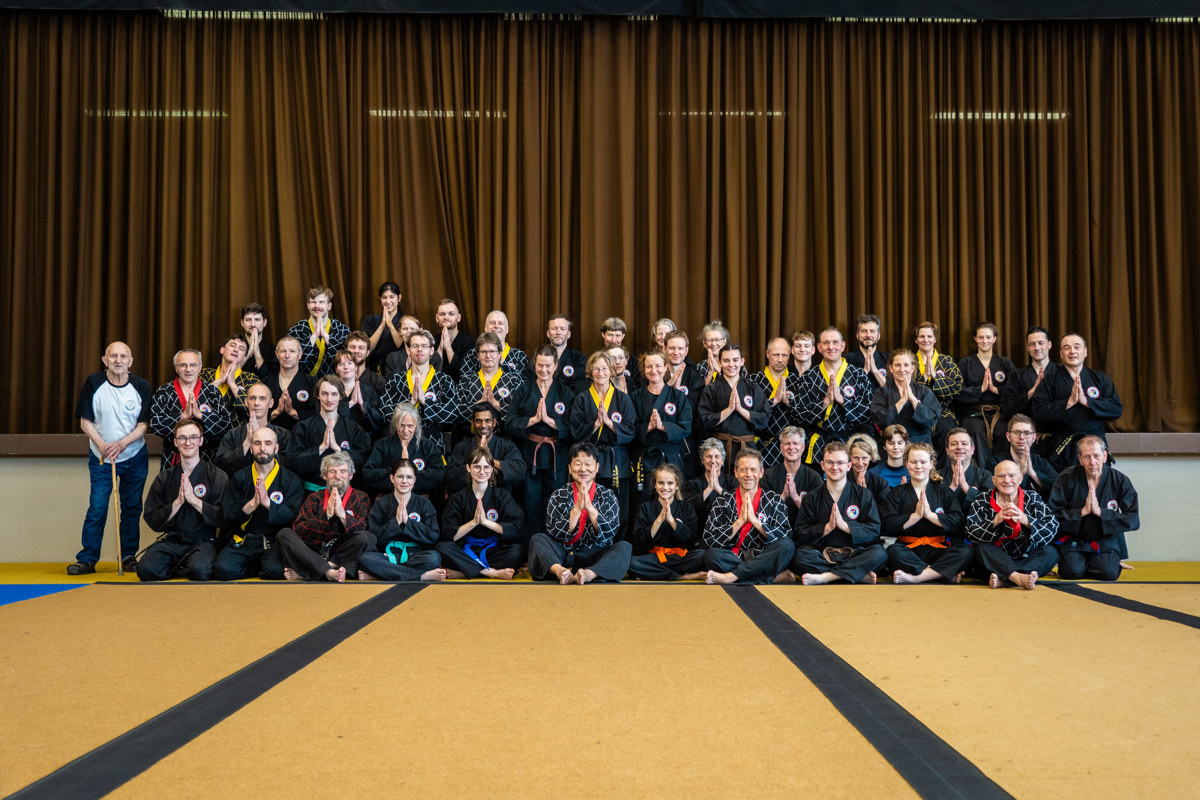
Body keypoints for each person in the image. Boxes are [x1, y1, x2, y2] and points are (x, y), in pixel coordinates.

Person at [70, 341, 153, 575]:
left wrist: (121, 444)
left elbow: (143, 425)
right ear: (104, 360)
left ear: (130, 361)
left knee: (132, 507)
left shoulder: (141, 385)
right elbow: (85, 421)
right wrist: (103, 445)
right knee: (97, 507)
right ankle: (87, 559)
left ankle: (127, 556)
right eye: (113, 356)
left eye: (123, 356)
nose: (118, 360)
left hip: (134, 456)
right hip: (102, 458)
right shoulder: (94, 383)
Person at [529, 443, 633, 584]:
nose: (583, 469)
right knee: (538, 539)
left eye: (588, 464)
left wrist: (590, 508)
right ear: (570, 468)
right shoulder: (558, 495)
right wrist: (577, 510)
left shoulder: (607, 495)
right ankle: (561, 571)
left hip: (595, 555)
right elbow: (554, 531)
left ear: (597, 468)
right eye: (578, 464)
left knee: (624, 547)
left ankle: (589, 574)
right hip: (564, 553)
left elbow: (610, 531)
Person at [138, 419, 228, 582]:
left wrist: (194, 500)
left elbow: (224, 517)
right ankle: (181, 567)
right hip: (173, 540)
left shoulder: (217, 476)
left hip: (203, 542)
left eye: (193, 437)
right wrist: (178, 502)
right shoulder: (165, 478)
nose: (188, 442)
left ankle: (183, 567)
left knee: (200, 571)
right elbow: (152, 518)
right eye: (182, 438)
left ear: (201, 440)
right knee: (146, 569)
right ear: (175, 442)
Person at [785, 441, 886, 585]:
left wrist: (846, 526)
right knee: (799, 557)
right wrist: (826, 528)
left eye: (840, 463)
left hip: (854, 554)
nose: (835, 467)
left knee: (879, 553)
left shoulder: (863, 494)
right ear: (822, 465)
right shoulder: (811, 497)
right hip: (823, 554)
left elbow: (874, 530)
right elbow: (801, 532)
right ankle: (855, 574)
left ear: (848, 466)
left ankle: (827, 576)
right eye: (830, 462)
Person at [215, 426, 305, 581]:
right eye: (257, 443)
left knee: (276, 571)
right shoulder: (239, 477)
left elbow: (294, 516)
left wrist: (268, 504)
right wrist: (252, 504)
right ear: (251, 448)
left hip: (273, 541)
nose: (262, 448)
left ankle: (257, 567)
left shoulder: (290, 479)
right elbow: (227, 514)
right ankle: (256, 568)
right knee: (222, 570)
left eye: (268, 443)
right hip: (244, 539)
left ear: (276, 448)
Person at [1048, 436, 1139, 581]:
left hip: (1105, 540)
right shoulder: (1066, 477)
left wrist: (1101, 513)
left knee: (1108, 573)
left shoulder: (1119, 480)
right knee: (1071, 572)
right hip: (1074, 540)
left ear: (1104, 456)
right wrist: (1081, 512)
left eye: (1096, 456)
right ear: (1080, 459)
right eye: (1086, 457)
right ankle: (1085, 562)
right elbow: (1051, 515)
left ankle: (1105, 561)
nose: (1092, 462)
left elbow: (1133, 519)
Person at [506, 345, 573, 540]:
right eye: (540, 365)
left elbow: (574, 427)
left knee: (555, 503)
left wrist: (550, 421)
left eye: (548, 365)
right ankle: (530, 547)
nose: (544, 370)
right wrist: (533, 420)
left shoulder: (565, 393)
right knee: (530, 503)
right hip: (529, 456)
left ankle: (554, 545)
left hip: (556, 457)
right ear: (534, 365)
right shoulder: (523, 390)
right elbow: (509, 422)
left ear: (556, 366)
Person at [701, 447, 794, 584]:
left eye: (753, 470)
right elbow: (710, 539)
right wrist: (739, 522)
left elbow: (785, 534)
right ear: (736, 472)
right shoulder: (723, 501)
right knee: (711, 555)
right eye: (743, 470)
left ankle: (732, 577)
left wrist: (756, 522)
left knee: (787, 545)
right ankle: (771, 578)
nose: (748, 474)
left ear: (761, 472)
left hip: (763, 555)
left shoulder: (774, 499)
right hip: (733, 556)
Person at [883, 442, 970, 584]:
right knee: (892, 552)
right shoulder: (897, 493)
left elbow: (958, 523)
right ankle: (941, 573)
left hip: (938, 549)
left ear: (931, 464)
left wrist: (930, 515)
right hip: (909, 550)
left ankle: (918, 577)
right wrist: (915, 516)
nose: (918, 466)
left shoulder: (943, 491)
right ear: (907, 464)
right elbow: (888, 524)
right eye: (913, 462)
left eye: (923, 462)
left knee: (965, 551)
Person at [1032, 333, 1124, 469]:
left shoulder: (1099, 378)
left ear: (1085, 352)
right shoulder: (1050, 380)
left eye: (1077, 347)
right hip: (1063, 448)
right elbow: (1038, 411)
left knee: (1097, 481)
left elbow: (1116, 409)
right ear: (1061, 353)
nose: (1072, 351)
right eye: (1067, 348)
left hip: (1094, 446)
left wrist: (1087, 402)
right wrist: (1068, 403)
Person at [277, 452, 372, 582]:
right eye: (332, 471)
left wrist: (343, 516)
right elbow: (299, 529)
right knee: (284, 534)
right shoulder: (315, 497)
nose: (337, 476)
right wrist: (326, 515)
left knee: (367, 537)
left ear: (350, 475)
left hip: (341, 553)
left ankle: (315, 571)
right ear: (324, 475)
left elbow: (362, 529)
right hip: (314, 551)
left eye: (343, 471)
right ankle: (327, 571)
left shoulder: (360, 497)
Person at [568, 350, 637, 527]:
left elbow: (631, 430)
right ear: (590, 372)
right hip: (591, 459)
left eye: (605, 368)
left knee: (619, 507)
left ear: (611, 370)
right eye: (596, 369)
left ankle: (619, 540)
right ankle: (591, 538)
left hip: (617, 459)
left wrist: (610, 423)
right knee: (591, 503)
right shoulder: (582, 399)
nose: (601, 373)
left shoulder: (622, 399)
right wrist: (596, 424)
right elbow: (574, 431)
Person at [965, 459, 1059, 589]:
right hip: (994, 559)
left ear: (1020, 479)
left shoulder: (1032, 497)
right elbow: (971, 532)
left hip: (1024, 558)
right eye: (1001, 476)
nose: (1007, 480)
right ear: (994, 480)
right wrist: (995, 521)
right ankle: (1018, 577)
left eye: (1011, 475)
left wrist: (1026, 520)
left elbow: (1052, 529)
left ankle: (1006, 579)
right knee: (981, 547)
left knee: (1051, 553)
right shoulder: (982, 500)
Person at [437, 448, 525, 580]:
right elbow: (449, 535)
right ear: (468, 468)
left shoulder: (502, 496)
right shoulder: (457, 498)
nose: (482, 471)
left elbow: (515, 530)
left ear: (492, 469)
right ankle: (489, 572)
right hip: (466, 551)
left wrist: (486, 522)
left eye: (486, 467)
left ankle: (465, 571)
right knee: (442, 548)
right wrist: (473, 523)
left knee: (517, 551)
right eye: (477, 467)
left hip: (493, 550)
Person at [794, 327, 873, 467]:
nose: (831, 347)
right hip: (819, 441)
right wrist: (825, 402)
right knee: (818, 480)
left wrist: (842, 401)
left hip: (851, 441)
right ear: (819, 347)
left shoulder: (858, 374)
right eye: (826, 343)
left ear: (842, 346)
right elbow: (800, 415)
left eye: (835, 342)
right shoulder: (808, 377)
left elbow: (868, 413)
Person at [358, 459, 447, 582]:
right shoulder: (381, 504)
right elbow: (374, 538)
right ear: (392, 478)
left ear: (415, 480)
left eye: (409, 477)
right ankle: (421, 576)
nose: (405, 481)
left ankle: (382, 574)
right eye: (400, 476)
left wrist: (408, 523)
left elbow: (433, 536)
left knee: (434, 558)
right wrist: (395, 523)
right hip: (388, 555)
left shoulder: (424, 503)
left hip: (415, 555)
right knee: (365, 558)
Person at [284, 376, 372, 491]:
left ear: (341, 396)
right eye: (324, 394)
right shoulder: (302, 427)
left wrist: (339, 450)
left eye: (334, 394)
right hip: (310, 492)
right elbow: (292, 462)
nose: (329, 399)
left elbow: (362, 462)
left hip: (344, 492)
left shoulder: (354, 428)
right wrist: (320, 448)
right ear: (317, 395)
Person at [149, 348, 233, 468]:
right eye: (183, 365)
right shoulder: (163, 392)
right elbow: (155, 424)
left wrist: (201, 416)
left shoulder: (211, 391)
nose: (188, 369)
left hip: (206, 456)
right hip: (173, 456)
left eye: (193, 365)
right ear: (176, 368)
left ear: (200, 367)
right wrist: (182, 416)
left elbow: (225, 423)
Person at [379, 328, 458, 453]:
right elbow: (385, 411)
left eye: (424, 346)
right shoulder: (396, 380)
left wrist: (425, 403)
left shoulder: (444, 380)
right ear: (408, 350)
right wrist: (410, 404)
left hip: (433, 442)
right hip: (400, 441)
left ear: (431, 350)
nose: (419, 349)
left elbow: (452, 412)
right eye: (415, 346)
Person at [626, 464, 707, 580]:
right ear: (655, 485)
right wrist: (659, 520)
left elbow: (691, 538)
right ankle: (681, 577)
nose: (665, 487)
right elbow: (639, 542)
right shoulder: (645, 507)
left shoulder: (686, 507)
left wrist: (671, 520)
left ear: (677, 485)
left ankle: (654, 574)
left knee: (702, 555)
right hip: (654, 558)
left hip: (680, 558)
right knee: (630, 562)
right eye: (661, 483)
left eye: (670, 483)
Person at [697, 344, 769, 471]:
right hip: (719, 449)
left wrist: (740, 409)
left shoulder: (752, 388)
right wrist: (729, 409)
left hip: (747, 447)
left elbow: (764, 419)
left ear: (742, 361)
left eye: (735, 360)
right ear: (719, 362)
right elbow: (704, 421)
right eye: (726, 360)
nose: (731, 365)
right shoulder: (711, 389)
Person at [631, 350, 693, 496]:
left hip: (671, 457)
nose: (654, 371)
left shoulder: (677, 396)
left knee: (673, 499)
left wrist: (662, 427)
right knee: (645, 500)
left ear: (665, 367)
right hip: (645, 457)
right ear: (644, 369)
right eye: (649, 367)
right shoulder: (636, 396)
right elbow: (629, 429)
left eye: (658, 366)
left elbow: (686, 426)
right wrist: (649, 427)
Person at [956, 322, 1017, 463]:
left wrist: (996, 390)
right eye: (981, 337)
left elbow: (1016, 390)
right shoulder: (965, 364)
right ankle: (984, 473)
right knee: (975, 430)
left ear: (994, 339)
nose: (985, 341)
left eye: (988, 337)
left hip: (1001, 412)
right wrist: (980, 390)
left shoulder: (1005, 363)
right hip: (974, 413)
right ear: (975, 339)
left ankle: (1004, 469)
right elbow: (957, 392)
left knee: (1006, 431)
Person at [362, 403, 447, 497]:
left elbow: (439, 474)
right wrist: (396, 472)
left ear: (416, 425)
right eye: (401, 425)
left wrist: (410, 475)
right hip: (389, 498)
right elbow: (368, 473)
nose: (405, 430)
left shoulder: (427, 446)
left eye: (410, 426)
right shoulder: (382, 445)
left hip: (419, 499)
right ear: (396, 424)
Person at [446, 403, 527, 494]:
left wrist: (490, 461)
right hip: (469, 498)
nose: (483, 425)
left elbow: (520, 471)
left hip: (499, 498)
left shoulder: (507, 446)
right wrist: (478, 462)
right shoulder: (462, 447)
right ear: (472, 423)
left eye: (487, 421)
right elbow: (451, 476)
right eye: (478, 421)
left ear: (494, 422)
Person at [214, 382, 292, 476]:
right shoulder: (233, 435)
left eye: (262, 398)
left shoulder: (283, 435)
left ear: (271, 403)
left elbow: (288, 466)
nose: (256, 403)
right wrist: (247, 443)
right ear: (246, 402)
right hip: (240, 484)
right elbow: (220, 465)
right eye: (252, 398)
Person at [750, 337, 803, 467]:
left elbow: (805, 416)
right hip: (761, 444)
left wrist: (789, 403)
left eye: (784, 355)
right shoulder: (753, 381)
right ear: (767, 354)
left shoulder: (798, 381)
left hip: (790, 447)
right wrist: (773, 401)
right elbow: (749, 414)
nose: (780, 360)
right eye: (776, 355)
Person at [456, 331, 525, 429]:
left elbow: (520, 415)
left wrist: (497, 405)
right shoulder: (466, 381)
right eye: (483, 352)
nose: (488, 356)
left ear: (499, 354)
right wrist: (478, 405)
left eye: (492, 351)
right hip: (472, 436)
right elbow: (456, 413)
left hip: (504, 436)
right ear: (478, 354)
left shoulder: (513, 381)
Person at [870, 348, 940, 444]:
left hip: (919, 443)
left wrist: (913, 400)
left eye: (906, 365)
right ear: (890, 368)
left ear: (912, 368)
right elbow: (880, 421)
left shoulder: (924, 391)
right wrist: (902, 401)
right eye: (897, 365)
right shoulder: (881, 392)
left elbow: (931, 421)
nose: (902, 369)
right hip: (892, 443)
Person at [761, 426, 824, 525]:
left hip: (805, 529)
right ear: (781, 448)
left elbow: (818, 514)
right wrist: (783, 496)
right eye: (787, 444)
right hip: (775, 529)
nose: (791, 447)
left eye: (795, 443)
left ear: (803, 447)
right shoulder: (768, 476)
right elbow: (763, 513)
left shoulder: (814, 477)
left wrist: (795, 496)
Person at [913, 321, 962, 443]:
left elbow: (957, 388)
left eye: (929, 336)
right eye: (922, 336)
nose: (926, 340)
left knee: (948, 432)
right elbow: (903, 388)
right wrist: (924, 378)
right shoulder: (909, 361)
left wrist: (936, 377)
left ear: (935, 339)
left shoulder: (946, 361)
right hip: (915, 410)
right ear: (916, 340)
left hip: (942, 411)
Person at [286, 284, 350, 377]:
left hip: (334, 382)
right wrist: (314, 336)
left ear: (329, 306)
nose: (317, 306)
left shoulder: (341, 329)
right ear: (308, 305)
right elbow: (291, 361)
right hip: (304, 381)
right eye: (313, 302)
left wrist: (326, 337)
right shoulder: (297, 329)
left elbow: (347, 361)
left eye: (321, 302)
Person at [1000, 326, 1058, 428]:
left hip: (1058, 430)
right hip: (1026, 431)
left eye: (1040, 343)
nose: (1037, 348)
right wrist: (1030, 393)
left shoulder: (1061, 372)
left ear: (1049, 344)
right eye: (1032, 344)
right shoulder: (1018, 375)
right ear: (1027, 347)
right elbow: (1006, 407)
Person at [200, 334, 261, 425]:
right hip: (204, 430)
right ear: (222, 350)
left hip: (237, 431)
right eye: (232, 345)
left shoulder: (251, 379)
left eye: (241, 349)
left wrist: (232, 384)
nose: (236, 350)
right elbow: (195, 401)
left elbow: (254, 412)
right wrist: (219, 381)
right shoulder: (205, 374)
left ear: (244, 358)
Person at [988, 414, 1057, 493]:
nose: (1021, 437)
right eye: (1016, 432)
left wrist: (1033, 474)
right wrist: (1021, 473)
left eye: (1027, 433)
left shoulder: (1041, 463)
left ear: (1034, 437)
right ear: (1008, 436)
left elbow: (1058, 489)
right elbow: (995, 493)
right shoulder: (995, 463)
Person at [260, 336, 315, 432]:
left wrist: (292, 412)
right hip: (271, 436)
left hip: (302, 436)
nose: (287, 356)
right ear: (277, 354)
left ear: (300, 354)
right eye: (283, 351)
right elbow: (258, 414)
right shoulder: (266, 382)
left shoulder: (311, 382)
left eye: (292, 351)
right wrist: (277, 411)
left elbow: (316, 415)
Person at [331, 350, 384, 438]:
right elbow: (325, 417)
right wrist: (350, 404)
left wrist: (362, 405)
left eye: (350, 363)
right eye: (341, 364)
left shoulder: (368, 391)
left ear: (356, 367)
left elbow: (378, 422)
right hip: (335, 437)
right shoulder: (330, 391)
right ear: (336, 369)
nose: (346, 367)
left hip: (361, 440)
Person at [686, 438, 736, 531]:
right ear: (702, 460)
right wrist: (709, 489)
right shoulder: (692, 484)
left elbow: (737, 506)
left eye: (717, 457)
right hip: (700, 531)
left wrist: (719, 489)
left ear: (722, 460)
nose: (713, 461)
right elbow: (687, 510)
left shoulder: (732, 481)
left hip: (728, 530)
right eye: (708, 456)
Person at [460, 309, 529, 377]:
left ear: (507, 329)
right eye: (492, 323)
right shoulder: (472, 354)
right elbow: (465, 380)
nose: (496, 326)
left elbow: (524, 381)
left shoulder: (519, 356)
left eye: (500, 323)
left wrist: (502, 365)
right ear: (486, 328)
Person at [359, 281, 404, 373]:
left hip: (398, 366)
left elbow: (402, 346)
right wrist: (382, 326)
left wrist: (390, 325)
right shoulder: (370, 320)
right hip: (374, 367)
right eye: (384, 297)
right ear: (380, 299)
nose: (388, 301)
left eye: (392, 297)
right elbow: (367, 348)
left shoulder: (405, 321)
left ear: (399, 298)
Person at [943, 427, 993, 508]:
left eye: (964, 443)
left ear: (972, 449)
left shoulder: (985, 476)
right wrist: (952, 487)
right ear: (947, 450)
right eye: (954, 444)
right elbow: (935, 505)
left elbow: (989, 506)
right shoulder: (937, 477)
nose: (959, 447)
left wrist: (966, 487)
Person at [542, 314, 588, 393]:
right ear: (548, 333)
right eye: (554, 329)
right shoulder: (538, 358)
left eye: (562, 329)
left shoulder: (578, 358)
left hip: (570, 400)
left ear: (568, 334)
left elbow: (580, 387)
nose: (558, 332)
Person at [845, 433, 892, 506]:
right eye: (856, 458)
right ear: (849, 457)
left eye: (864, 458)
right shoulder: (842, 480)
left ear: (871, 457)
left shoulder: (881, 484)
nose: (860, 463)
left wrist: (865, 496)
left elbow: (885, 510)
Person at [434, 298, 474, 381]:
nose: (446, 317)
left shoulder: (469, 343)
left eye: (451, 314)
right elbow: (431, 373)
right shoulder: (431, 341)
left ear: (458, 318)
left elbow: (463, 373)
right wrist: (440, 349)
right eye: (442, 314)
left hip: (460, 387)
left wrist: (448, 348)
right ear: (437, 318)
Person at [845, 313, 888, 388]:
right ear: (857, 335)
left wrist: (874, 370)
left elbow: (893, 390)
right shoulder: (846, 360)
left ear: (878, 335)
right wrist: (864, 371)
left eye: (872, 331)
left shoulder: (888, 359)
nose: (868, 335)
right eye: (864, 331)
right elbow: (847, 390)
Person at [239, 302, 275, 375]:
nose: (253, 324)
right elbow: (223, 373)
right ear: (242, 323)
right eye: (248, 320)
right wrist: (249, 353)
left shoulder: (273, 350)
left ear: (264, 322)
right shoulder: (232, 347)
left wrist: (257, 353)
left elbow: (271, 379)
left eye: (257, 320)